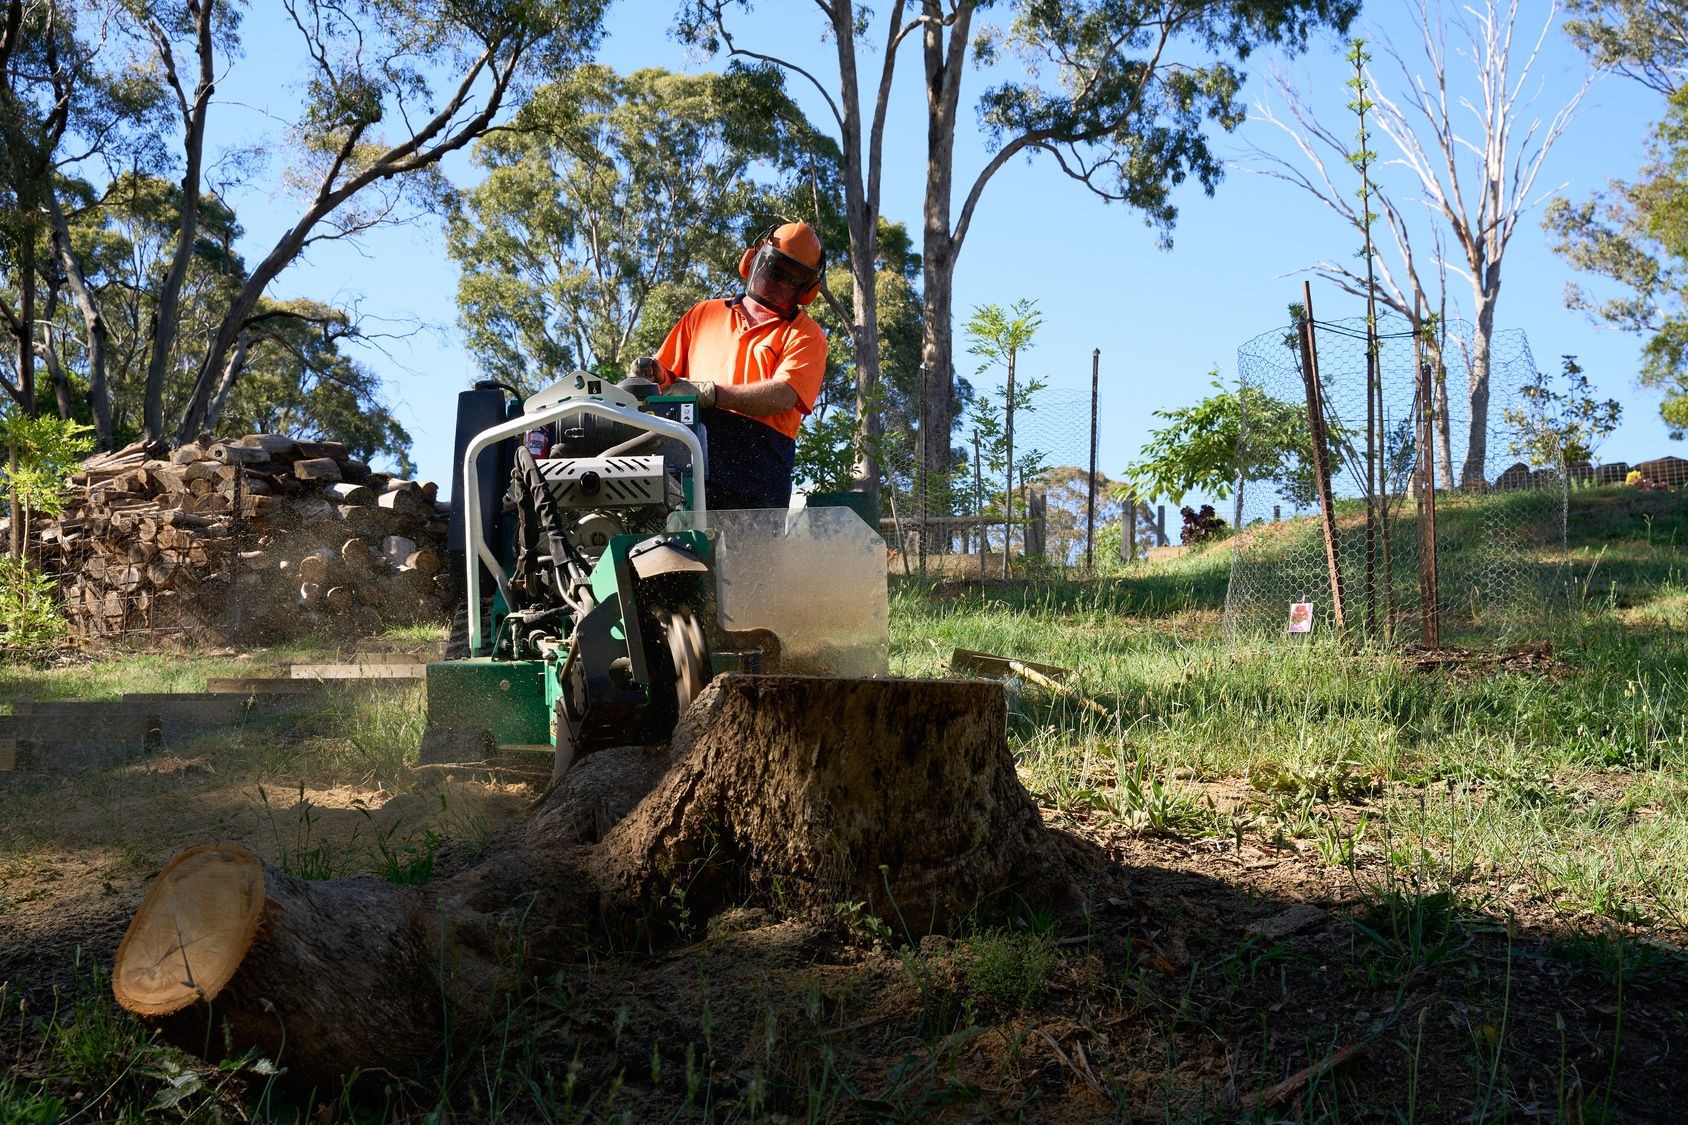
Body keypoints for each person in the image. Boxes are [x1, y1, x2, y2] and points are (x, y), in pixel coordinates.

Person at [633, 221, 828, 510]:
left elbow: (785, 393)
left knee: (752, 555)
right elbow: (665, 378)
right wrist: (656, 375)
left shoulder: (805, 333)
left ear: (806, 290)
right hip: (692, 457)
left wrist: (712, 394)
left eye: (792, 281)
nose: (779, 284)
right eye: (775, 271)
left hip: (758, 472)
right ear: (755, 261)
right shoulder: (703, 314)